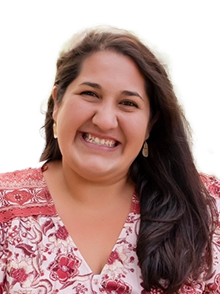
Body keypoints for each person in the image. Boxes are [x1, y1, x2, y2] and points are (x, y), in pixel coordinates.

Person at [0, 27, 220, 294]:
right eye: (90, 94)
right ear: (57, 103)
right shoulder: (5, 208)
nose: (104, 120)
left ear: (151, 123)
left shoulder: (206, 207)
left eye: (128, 103)